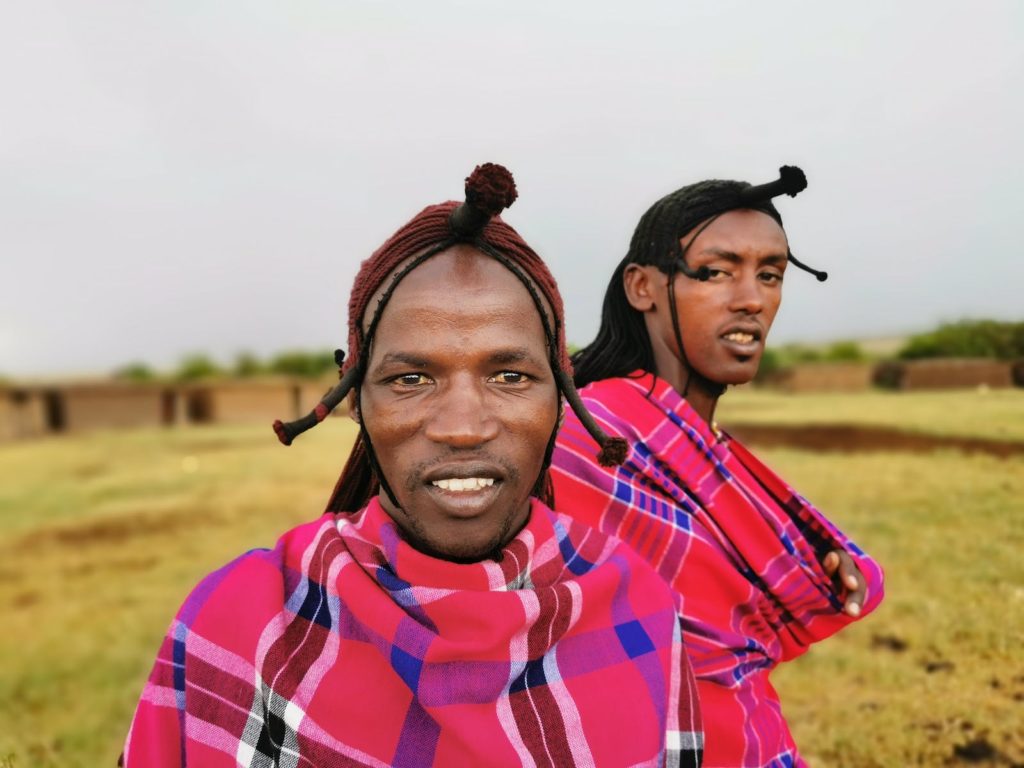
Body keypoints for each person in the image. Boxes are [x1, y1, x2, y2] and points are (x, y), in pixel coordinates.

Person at [122, 164, 703, 767]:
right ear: (355, 398)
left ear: (560, 396)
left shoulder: (640, 611)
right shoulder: (241, 619)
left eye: (509, 376)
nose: (462, 426)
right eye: (410, 379)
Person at [551, 167, 884, 768]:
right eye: (715, 272)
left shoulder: (702, 445)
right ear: (642, 287)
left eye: (771, 275)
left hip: (748, 736)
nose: (752, 299)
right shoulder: (586, 438)